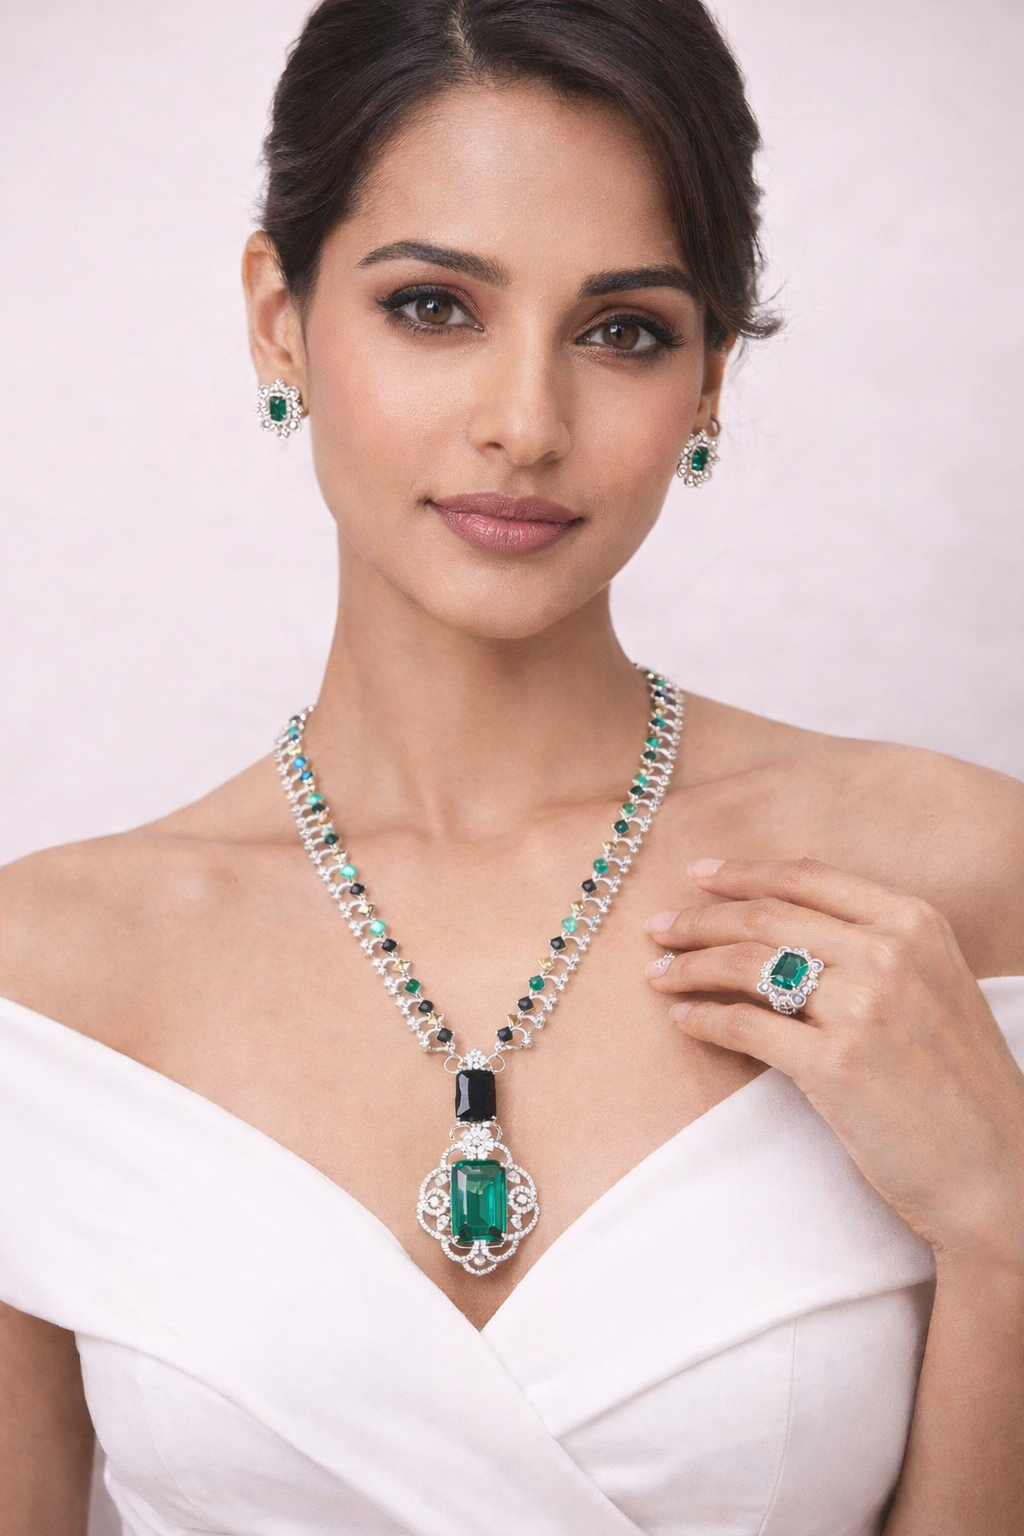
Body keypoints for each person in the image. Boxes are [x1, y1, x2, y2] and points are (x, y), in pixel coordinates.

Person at [1, 2, 1022, 1533]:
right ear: (280, 318)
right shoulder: (47, 982)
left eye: (625, 332)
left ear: (711, 379)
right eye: (434, 307)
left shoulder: (950, 879)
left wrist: (1007, 1227)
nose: (525, 424)